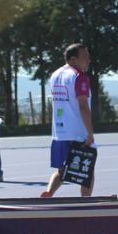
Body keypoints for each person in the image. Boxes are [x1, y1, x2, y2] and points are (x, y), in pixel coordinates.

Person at [42, 43, 96, 198]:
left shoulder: (55, 75)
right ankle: (85, 202)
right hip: (78, 133)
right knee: (87, 171)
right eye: (84, 57)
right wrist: (90, 133)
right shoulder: (79, 76)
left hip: (59, 133)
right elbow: (83, 106)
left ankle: (49, 192)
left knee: (62, 170)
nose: (88, 60)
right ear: (73, 59)